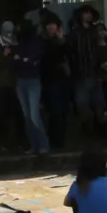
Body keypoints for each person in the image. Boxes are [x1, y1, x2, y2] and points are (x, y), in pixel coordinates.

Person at [68, 4, 107, 137]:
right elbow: (71, 53)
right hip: (81, 73)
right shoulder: (75, 33)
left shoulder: (95, 32)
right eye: (86, 13)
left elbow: (101, 51)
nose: (88, 15)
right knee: (82, 104)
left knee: (98, 103)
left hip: (94, 72)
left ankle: (96, 129)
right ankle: (86, 129)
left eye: (90, 13)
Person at [0, 21, 25, 151]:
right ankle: (4, 141)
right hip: (1, 85)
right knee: (2, 114)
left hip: (14, 84)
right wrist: (3, 56)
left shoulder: (14, 44)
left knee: (18, 114)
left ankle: (19, 140)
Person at [12, 20, 49, 155]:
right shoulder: (21, 43)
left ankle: (43, 144)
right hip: (23, 80)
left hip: (32, 80)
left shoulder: (35, 43)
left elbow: (30, 61)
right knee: (28, 116)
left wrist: (21, 60)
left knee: (33, 115)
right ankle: (35, 145)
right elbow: (18, 62)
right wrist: (25, 60)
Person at [41, 15, 70, 151]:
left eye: (54, 24)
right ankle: (53, 139)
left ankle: (60, 139)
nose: (51, 27)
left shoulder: (62, 40)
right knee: (54, 110)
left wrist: (60, 39)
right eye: (49, 24)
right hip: (49, 79)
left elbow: (67, 53)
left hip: (62, 79)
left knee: (62, 110)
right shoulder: (43, 41)